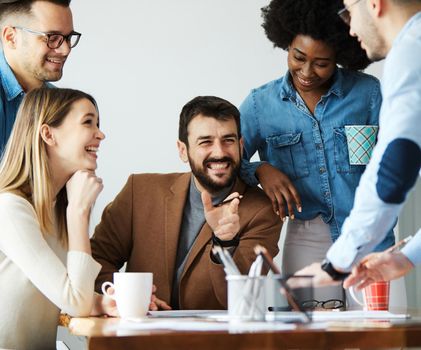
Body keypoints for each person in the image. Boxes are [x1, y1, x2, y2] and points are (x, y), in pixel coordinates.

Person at [239, 0, 394, 304]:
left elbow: (393, 159)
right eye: (298, 57)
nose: (307, 71)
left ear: (340, 55)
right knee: (312, 338)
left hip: (371, 235)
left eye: (321, 63)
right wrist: (260, 170)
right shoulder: (260, 105)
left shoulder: (368, 94)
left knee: (380, 334)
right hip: (307, 236)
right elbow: (229, 160)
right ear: (286, 43)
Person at [91, 96, 282, 310]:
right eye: (206, 142)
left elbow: (240, 299)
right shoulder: (139, 190)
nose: (219, 152)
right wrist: (123, 297)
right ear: (183, 150)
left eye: (228, 140)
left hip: (212, 340)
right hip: (138, 336)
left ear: (240, 145)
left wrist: (224, 244)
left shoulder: (264, 210)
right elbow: (96, 261)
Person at [296, 0, 421, 288]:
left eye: (348, 12)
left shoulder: (411, 51)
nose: (350, 29)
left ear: (375, 3)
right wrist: (408, 257)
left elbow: (395, 166)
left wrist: (338, 262)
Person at [0, 87, 116, 350]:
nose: (101, 134)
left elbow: (68, 292)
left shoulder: (57, 209)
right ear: (48, 134)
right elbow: (74, 301)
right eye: (88, 122)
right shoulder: (10, 209)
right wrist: (78, 213)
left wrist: (103, 301)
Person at [0, 0, 80, 155]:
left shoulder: (60, 104)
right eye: (51, 37)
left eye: (69, 37)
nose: (65, 49)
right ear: (11, 37)